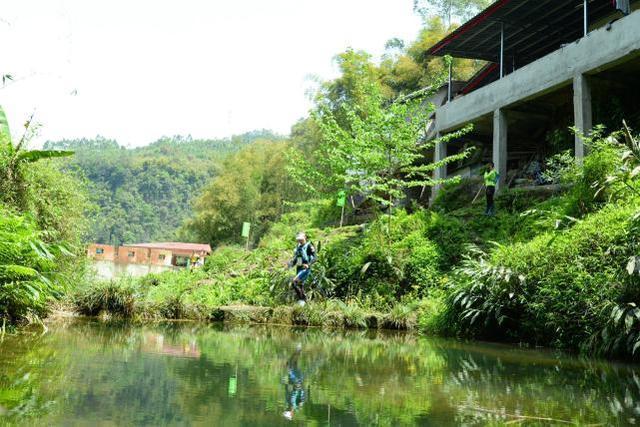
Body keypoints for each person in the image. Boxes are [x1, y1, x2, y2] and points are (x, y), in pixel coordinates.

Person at [287, 232, 316, 306]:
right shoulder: (298, 247)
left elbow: (315, 258)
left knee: (294, 282)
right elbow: (296, 258)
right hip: (299, 267)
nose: (300, 241)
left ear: (305, 238)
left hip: (305, 268)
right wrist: (290, 265)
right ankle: (303, 303)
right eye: (299, 240)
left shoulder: (309, 246)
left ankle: (302, 299)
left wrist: (308, 265)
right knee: (300, 285)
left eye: (301, 240)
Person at [282, 344, 306, 420]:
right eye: (288, 410)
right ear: (292, 413)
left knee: (291, 363)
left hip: (293, 381)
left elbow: (287, 390)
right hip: (298, 381)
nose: (287, 408)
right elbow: (303, 395)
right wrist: (302, 386)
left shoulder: (288, 402)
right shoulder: (298, 405)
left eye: (286, 409)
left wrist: (285, 383)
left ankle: (298, 350)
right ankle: (298, 350)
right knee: (290, 364)